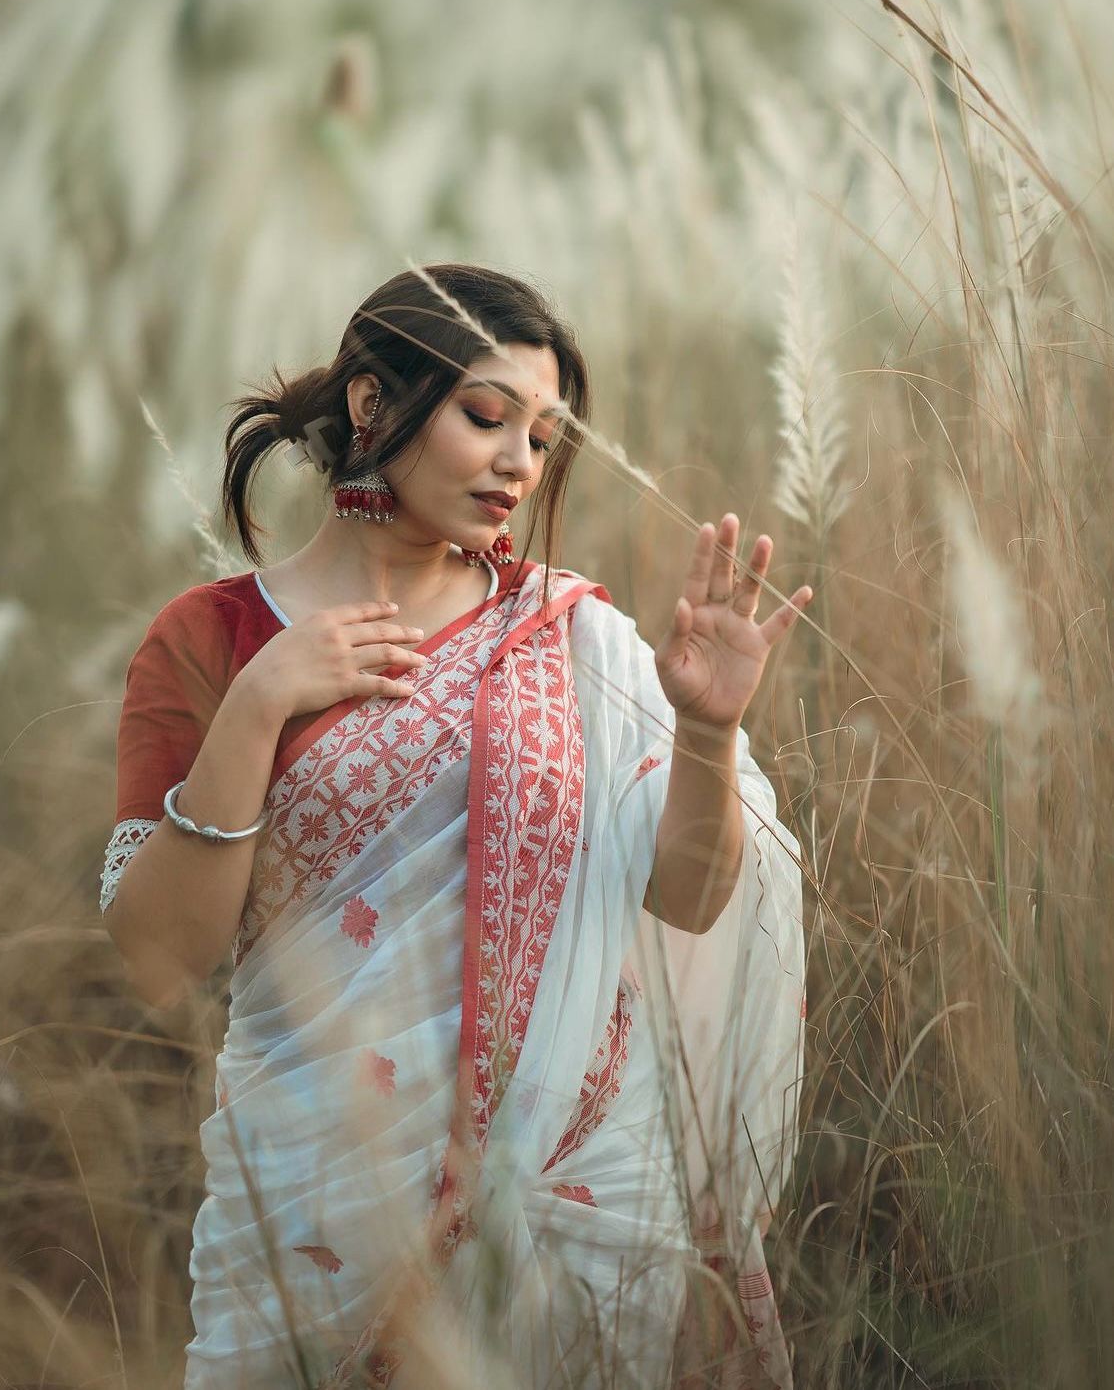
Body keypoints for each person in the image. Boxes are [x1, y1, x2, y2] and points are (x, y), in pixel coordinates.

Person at [98, 263, 812, 1390]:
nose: (520, 464)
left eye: (542, 434)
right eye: (486, 416)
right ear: (373, 404)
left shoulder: (570, 642)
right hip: (317, 1206)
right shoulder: (214, 638)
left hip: (558, 1215)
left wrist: (708, 734)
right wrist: (259, 703)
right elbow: (156, 954)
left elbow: (689, 895)